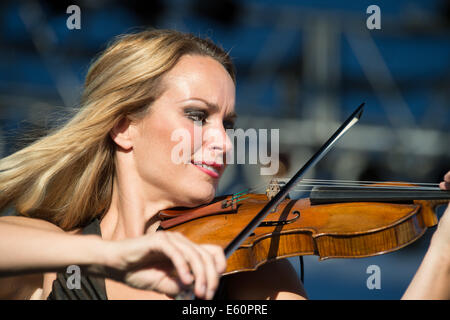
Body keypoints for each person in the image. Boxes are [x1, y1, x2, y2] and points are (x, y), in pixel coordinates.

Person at [0, 29, 448, 300]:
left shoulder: (244, 277)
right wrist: (111, 254)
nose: (222, 142)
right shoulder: (54, 258)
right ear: (123, 127)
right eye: (197, 116)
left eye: (228, 124)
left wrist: (444, 252)